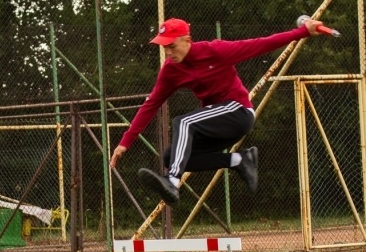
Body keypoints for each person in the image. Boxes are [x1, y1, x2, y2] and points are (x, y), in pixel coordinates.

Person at [109, 16, 325, 205]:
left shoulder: (215, 51)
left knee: (183, 122)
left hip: (238, 112)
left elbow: (261, 44)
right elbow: (151, 104)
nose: (168, 52)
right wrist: (125, 142)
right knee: (170, 156)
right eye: (164, 47)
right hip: (218, 128)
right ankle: (239, 160)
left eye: (172, 46)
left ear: (187, 40)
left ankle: (172, 181)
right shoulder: (171, 70)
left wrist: (303, 31)